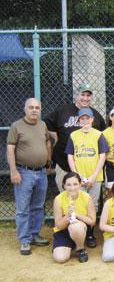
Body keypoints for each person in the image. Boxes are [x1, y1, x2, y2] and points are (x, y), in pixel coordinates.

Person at [6, 98, 51, 255]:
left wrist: (48, 162)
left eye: (37, 107)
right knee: (23, 209)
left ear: (40, 110)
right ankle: (24, 240)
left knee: (38, 206)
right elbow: (10, 149)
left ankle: (34, 235)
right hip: (23, 172)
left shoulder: (42, 125)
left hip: (41, 172)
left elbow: (47, 143)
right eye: (31, 107)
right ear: (25, 109)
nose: (34, 110)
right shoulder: (16, 126)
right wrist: (13, 171)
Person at [44, 84, 106, 192]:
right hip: (64, 163)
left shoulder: (95, 115)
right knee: (67, 197)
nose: (85, 98)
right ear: (76, 95)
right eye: (82, 94)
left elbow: (102, 134)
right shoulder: (63, 110)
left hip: (88, 169)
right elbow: (46, 124)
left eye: (88, 95)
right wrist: (55, 136)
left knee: (88, 202)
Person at [65, 107, 108, 248]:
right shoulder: (73, 135)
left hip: (95, 176)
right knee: (80, 205)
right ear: (78, 120)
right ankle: (79, 233)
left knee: (93, 205)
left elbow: (102, 156)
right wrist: (77, 176)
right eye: (82, 118)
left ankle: (90, 234)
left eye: (87, 118)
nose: (85, 121)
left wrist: (93, 176)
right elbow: (70, 156)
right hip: (79, 178)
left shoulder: (98, 134)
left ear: (92, 119)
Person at [52, 172, 96, 263]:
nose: (72, 188)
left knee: (75, 226)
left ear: (80, 184)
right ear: (64, 186)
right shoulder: (58, 199)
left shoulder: (86, 197)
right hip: (64, 230)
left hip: (80, 228)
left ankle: (80, 249)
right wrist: (68, 215)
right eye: (68, 185)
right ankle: (71, 244)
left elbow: (92, 221)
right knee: (60, 258)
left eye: (75, 184)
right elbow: (59, 226)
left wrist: (76, 215)